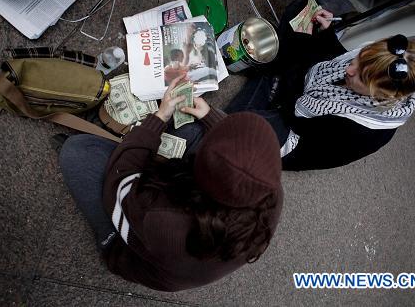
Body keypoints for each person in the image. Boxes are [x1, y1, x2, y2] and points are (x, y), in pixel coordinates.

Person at [58, 78, 284, 291]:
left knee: (77, 152)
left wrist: (157, 120)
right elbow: (242, 151)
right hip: (181, 231)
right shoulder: (270, 190)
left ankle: (107, 239)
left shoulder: (166, 221)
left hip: (132, 248)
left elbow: (120, 185)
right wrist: (209, 116)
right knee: (195, 130)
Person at [226, 0, 415, 171]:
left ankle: (263, 81)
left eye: (361, 76)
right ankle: (267, 75)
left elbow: (295, 118)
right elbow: (334, 58)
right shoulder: (377, 64)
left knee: (233, 129)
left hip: (296, 130)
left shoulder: (363, 130)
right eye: (359, 58)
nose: (349, 69)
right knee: (299, 8)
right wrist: (327, 33)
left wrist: (289, 70)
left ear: (380, 95)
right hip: (303, 88)